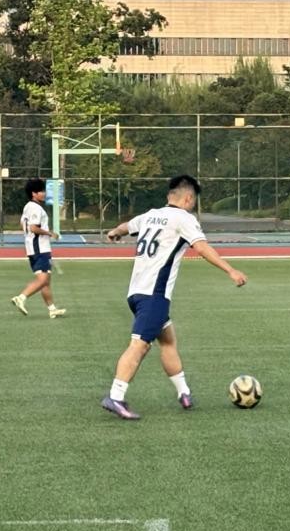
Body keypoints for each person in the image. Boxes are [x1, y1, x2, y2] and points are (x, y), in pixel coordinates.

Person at [100, 175, 248, 420]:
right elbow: (202, 247)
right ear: (188, 198)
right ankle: (116, 396)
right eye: (194, 201)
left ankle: (184, 393)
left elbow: (127, 226)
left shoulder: (150, 215)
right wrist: (231, 270)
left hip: (136, 293)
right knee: (139, 346)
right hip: (154, 295)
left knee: (167, 340)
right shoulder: (184, 219)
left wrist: (115, 231)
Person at [10, 178, 66, 318]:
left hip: (34, 248)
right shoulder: (35, 208)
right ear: (34, 193)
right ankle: (21, 297)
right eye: (41, 191)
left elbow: (23, 224)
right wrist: (50, 233)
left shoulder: (28, 207)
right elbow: (33, 228)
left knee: (46, 281)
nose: (44, 193)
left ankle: (52, 309)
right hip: (39, 248)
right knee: (43, 280)